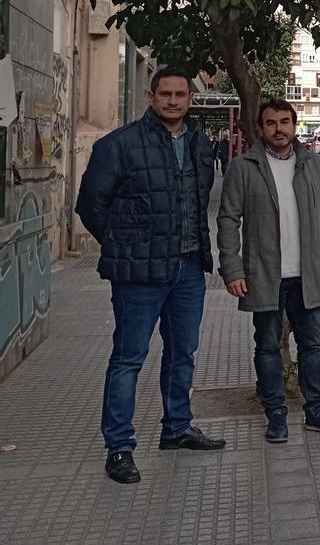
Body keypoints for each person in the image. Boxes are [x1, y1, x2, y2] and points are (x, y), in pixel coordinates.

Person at [75, 67, 225, 485]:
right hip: (139, 274)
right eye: (166, 94)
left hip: (189, 269)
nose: (174, 100)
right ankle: (119, 446)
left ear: (190, 99)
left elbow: (197, 202)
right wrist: (124, 244)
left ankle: (176, 428)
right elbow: (91, 206)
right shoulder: (119, 145)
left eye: (181, 94)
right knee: (128, 359)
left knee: (183, 353)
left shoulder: (199, 144)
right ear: (151, 96)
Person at [217, 99, 320, 443]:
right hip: (265, 275)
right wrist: (231, 269)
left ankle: (317, 411)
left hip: (306, 274)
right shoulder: (243, 167)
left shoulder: (314, 164)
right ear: (260, 129)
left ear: (294, 125)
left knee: (312, 346)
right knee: (267, 346)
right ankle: (276, 415)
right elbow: (228, 220)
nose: (279, 129)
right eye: (272, 123)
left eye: (285, 122)